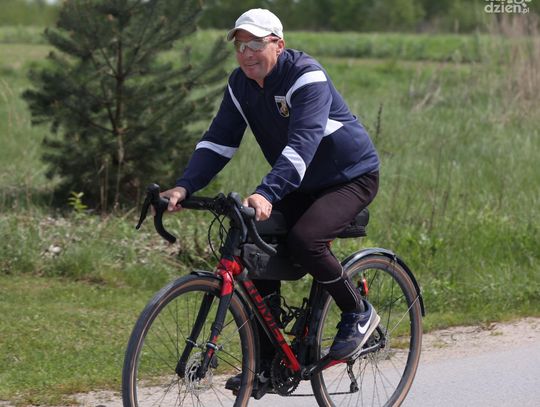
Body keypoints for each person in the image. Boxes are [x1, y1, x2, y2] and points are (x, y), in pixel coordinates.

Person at [161, 8, 381, 393]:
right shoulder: (240, 85)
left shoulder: (306, 76)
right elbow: (218, 142)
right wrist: (183, 187)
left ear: (278, 45)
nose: (246, 54)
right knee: (252, 238)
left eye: (256, 45)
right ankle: (266, 362)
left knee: (306, 239)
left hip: (349, 177)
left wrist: (267, 192)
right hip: (302, 182)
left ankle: (358, 312)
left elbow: (302, 145)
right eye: (240, 46)